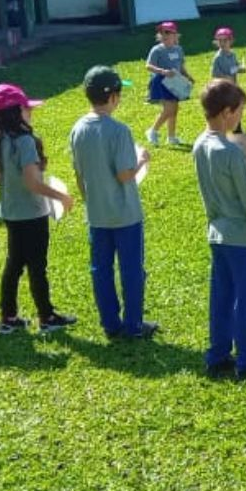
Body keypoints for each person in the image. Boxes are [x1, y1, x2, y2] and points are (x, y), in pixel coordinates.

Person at [193, 79, 246, 380]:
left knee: (222, 297)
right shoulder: (230, 151)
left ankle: (217, 355)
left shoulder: (200, 144)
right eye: (240, 111)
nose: (241, 117)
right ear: (227, 112)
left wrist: (245, 175)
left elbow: (221, 185)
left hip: (217, 232)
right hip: (242, 237)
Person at [69, 65, 157, 340]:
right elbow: (124, 174)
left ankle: (110, 322)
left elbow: (79, 174)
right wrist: (142, 159)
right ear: (113, 97)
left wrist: (89, 201)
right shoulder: (119, 131)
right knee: (131, 270)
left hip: (97, 213)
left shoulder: (78, 129)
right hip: (126, 214)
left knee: (101, 269)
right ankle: (133, 325)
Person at [0, 83, 78, 335]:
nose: (31, 113)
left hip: (12, 213)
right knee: (37, 265)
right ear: (16, 112)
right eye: (27, 109)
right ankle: (47, 317)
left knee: (14, 264)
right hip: (31, 214)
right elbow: (32, 182)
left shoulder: (0, 138)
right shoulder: (24, 141)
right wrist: (61, 196)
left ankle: (8, 317)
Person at [144, 21, 194, 147]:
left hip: (175, 82)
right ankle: (153, 131)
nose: (163, 34)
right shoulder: (157, 50)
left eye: (167, 32)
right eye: (161, 32)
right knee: (168, 109)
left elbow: (180, 66)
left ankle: (171, 137)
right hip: (162, 82)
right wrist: (162, 71)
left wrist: (187, 76)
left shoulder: (178, 49)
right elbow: (148, 66)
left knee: (174, 109)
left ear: (175, 35)